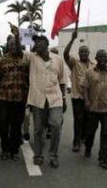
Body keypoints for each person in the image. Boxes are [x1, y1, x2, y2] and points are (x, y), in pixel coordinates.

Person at [13, 25, 67, 169]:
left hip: (55, 99)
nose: (36, 44)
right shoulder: (31, 58)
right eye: (34, 42)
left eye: (39, 42)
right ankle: (38, 155)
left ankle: (53, 155)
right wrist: (17, 37)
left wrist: (64, 99)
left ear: (46, 44)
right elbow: (18, 52)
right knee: (38, 129)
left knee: (56, 125)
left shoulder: (58, 60)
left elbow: (62, 80)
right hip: (37, 99)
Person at [0, 36, 29, 161]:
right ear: (8, 46)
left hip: (20, 98)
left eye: (16, 45)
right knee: (3, 126)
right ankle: (4, 149)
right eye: (11, 45)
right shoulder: (2, 60)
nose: (13, 47)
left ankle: (14, 150)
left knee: (16, 126)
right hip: (4, 97)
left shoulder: (25, 59)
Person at [64, 30, 94, 152]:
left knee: (88, 120)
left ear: (89, 53)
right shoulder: (74, 63)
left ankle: (83, 138)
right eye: (81, 51)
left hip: (90, 98)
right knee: (78, 120)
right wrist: (72, 40)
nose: (83, 53)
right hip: (77, 97)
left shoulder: (93, 65)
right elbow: (65, 54)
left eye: (85, 51)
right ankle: (76, 142)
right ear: (78, 53)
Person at [82, 49, 107, 169]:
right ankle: (88, 147)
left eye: (105, 57)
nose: (103, 59)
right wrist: (86, 101)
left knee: (105, 134)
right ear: (96, 59)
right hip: (93, 108)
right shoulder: (89, 72)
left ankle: (103, 158)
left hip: (106, 109)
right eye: (100, 57)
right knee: (90, 132)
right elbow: (85, 88)